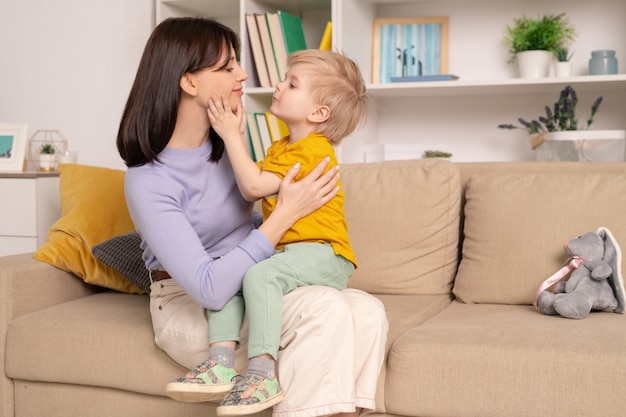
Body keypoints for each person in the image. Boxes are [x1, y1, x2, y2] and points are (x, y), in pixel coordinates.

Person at [116, 16, 388, 417]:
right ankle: (260, 377)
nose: (243, 75)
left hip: (250, 285)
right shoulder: (148, 181)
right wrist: (287, 214)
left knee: (368, 310)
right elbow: (209, 288)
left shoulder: (232, 152)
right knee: (323, 310)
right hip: (192, 305)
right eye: (227, 67)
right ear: (189, 82)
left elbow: (259, 207)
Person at [172, 49, 368, 416]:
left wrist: (230, 135)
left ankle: (262, 372)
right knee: (233, 271)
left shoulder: (312, 150)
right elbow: (253, 177)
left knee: (260, 273)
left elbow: (251, 187)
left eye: (291, 83)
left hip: (325, 254)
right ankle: (220, 361)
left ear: (318, 113)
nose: (278, 85)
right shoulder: (284, 147)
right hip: (292, 252)